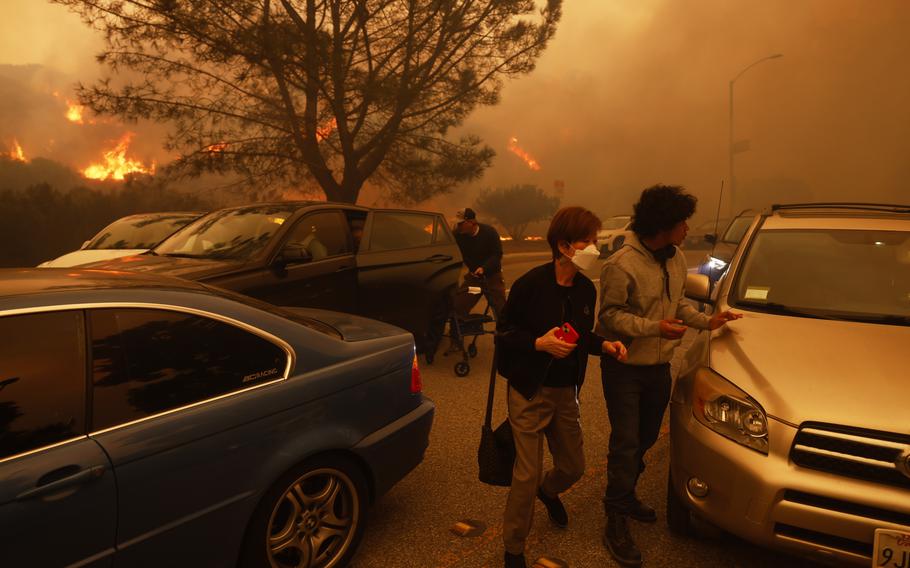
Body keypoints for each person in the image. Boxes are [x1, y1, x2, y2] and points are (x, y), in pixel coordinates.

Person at [597, 185, 742, 567]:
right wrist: (654, 328)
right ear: (663, 225)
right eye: (681, 222)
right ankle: (615, 516)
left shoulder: (675, 258)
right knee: (626, 442)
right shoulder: (621, 264)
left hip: (659, 369)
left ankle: (624, 494)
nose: (687, 228)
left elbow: (678, 304)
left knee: (644, 439)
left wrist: (709, 321)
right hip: (624, 368)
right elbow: (608, 317)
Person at [496, 206, 628, 568]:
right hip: (528, 391)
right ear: (565, 245)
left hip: (565, 392)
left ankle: (548, 491)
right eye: (589, 241)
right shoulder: (530, 285)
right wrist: (539, 343)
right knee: (525, 474)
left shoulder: (585, 290)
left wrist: (605, 346)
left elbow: (582, 336)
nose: (595, 248)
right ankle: (514, 549)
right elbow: (503, 332)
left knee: (573, 466)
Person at [452, 208, 507, 320]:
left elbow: (497, 254)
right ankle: (457, 332)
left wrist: (484, 268)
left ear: (472, 222)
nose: (459, 226)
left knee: (501, 310)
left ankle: (504, 334)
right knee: (459, 305)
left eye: (461, 223)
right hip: (474, 278)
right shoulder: (458, 235)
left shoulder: (489, 232)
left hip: (492, 276)